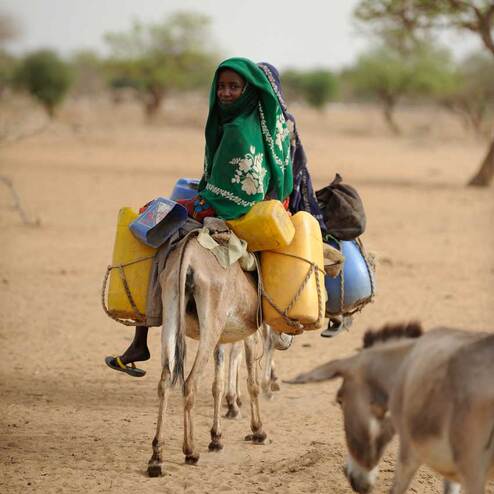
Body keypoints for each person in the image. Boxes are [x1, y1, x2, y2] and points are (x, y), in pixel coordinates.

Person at [105, 57, 293, 376]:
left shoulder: (237, 128)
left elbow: (234, 193)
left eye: (234, 86)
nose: (226, 93)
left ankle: (140, 339)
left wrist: (196, 206)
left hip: (234, 212)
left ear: (249, 89)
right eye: (221, 86)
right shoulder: (262, 118)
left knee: (154, 227)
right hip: (259, 207)